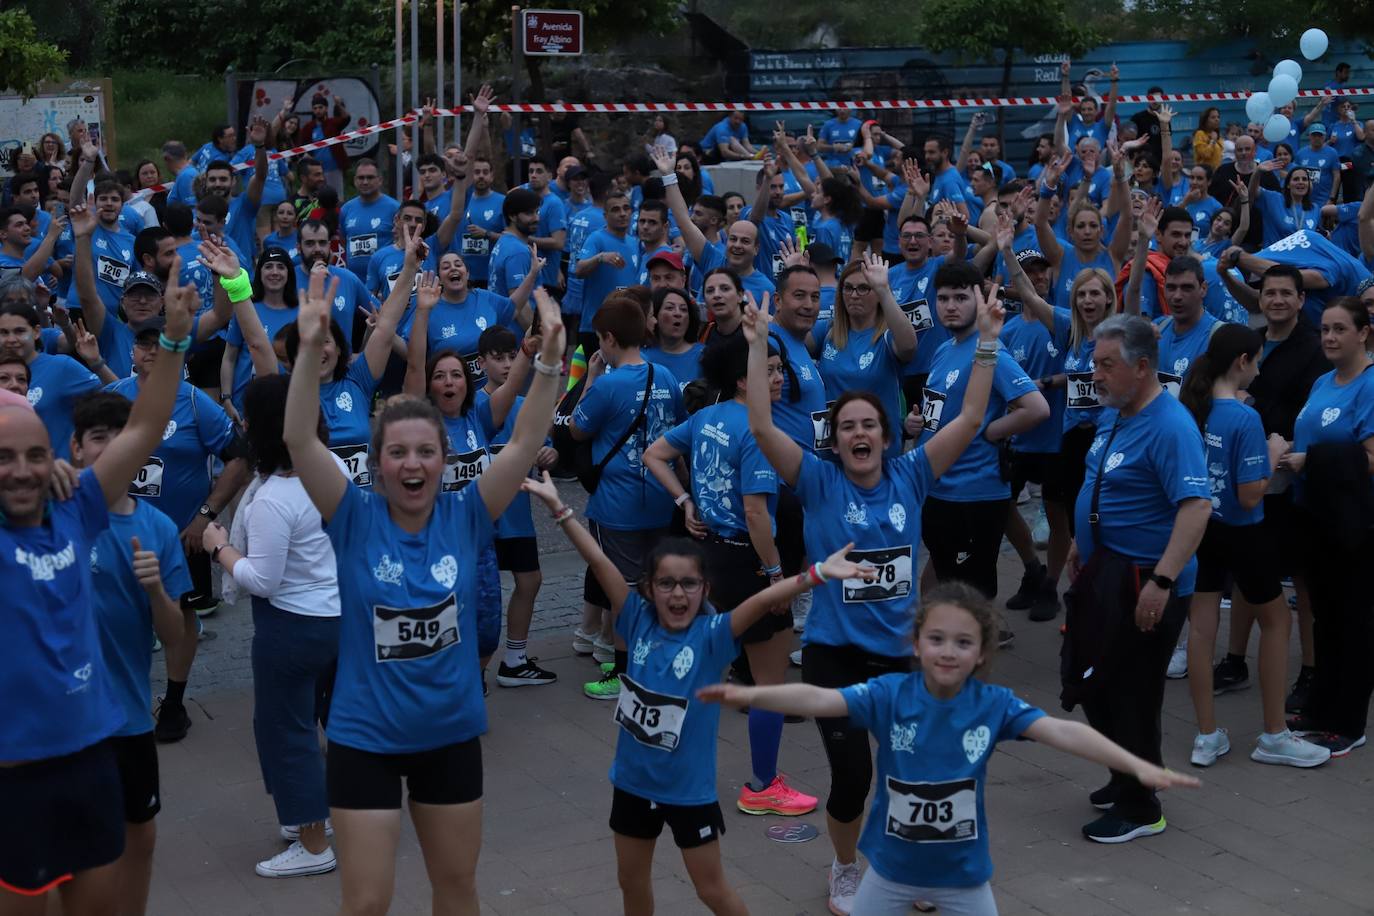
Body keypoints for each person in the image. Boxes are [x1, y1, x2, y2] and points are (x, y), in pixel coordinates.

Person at [280, 267, 565, 914]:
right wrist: (307, 348)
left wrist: (549, 362)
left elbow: (523, 442)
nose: (413, 464)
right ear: (378, 463)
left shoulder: (468, 515)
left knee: (457, 890)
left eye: (426, 452)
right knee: (367, 902)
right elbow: (299, 438)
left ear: (445, 459)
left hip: (450, 735)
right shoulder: (351, 516)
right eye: (399, 453)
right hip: (362, 740)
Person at [744, 279, 1008, 915]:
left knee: (910, 774)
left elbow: (971, 418)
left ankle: (907, 872)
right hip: (836, 656)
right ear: (834, 440)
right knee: (853, 779)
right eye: (847, 427)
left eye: (869, 424)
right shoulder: (815, 479)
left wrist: (989, 344)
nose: (859, 433)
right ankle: (843, 868)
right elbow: (758, 421)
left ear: (886, 436)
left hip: (900, 657)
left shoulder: (913, 474)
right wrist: (757, 346)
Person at [700, 581, 1199, 915]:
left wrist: (1136, 765)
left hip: (964, 880)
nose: (948, 650)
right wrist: (751, 693)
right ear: (916, 645)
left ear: (981, 652)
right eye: (936, 638)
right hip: (889, 873)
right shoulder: (889, 695)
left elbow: (1062, 731)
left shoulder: (993, 705)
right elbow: (820, 697)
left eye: (963, 642)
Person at [531, 474, 865, 916]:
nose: (677, 593)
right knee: (631, 883)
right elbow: (599, 561)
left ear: (705, 589)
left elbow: (764, 602)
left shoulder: (712, 635)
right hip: (631, 785)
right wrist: (561, 511)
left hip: (689, 793)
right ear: (648, 588)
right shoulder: (634, 620)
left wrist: (818, 574)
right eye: (666, 583)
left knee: (712, 891)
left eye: (688, 583)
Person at [0, 268, 194, 909]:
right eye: (4, 458)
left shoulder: (77, 507)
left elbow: (144, 428)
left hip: (91, 758)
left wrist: (173, 337)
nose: (23, 471)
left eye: (33, 454)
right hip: (14, 777)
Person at [643, 335, 818, 818]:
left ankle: (662, 774)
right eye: (773, 369)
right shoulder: (758, 433)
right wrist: (778, 576)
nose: (781, 377)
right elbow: (757, 514)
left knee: (698, 674)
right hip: (749, 563)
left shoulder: (706, 417)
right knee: (768, 683)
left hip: (709, 559)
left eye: (783, 368)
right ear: (744, 380)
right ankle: (763, 785)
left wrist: (685, 502)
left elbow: (654, 453)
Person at [1064, 314, 1211, 843]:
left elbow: (1195, 508)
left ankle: (1141, 806)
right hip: (1107, 570)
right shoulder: (1117, 412)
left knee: (1130, 690)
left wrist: (1163, 581)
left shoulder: (1171, 426)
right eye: (1093, 363)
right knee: (1099, 684)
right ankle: (1125, 774)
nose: (1095, 374)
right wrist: (1083, 539)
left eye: (1107, 365)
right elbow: (1102, 481)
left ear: (1143, 367)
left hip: (1146, 581)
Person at [201, 372, 342, 877]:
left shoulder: (275, 498)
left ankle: (311, 840)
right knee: (291, 726)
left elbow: (262, 578)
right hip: (330, 617)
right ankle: (305, 815)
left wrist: (219, 547)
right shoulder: (328, 470)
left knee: (287, 731)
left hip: (291, 627)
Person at [1176, 323, 1331, 769]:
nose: (1259, 369)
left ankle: (1206, 736)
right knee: (1278, 622)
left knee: (1201, 631)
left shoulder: (1195, 406)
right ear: (1241, 362)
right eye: (1257, 360)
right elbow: (1249, 493)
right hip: (1243, 530)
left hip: (1203, 527)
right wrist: (1272, 449)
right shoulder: (1244, 417)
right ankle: (1275, 734)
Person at [70, 392, 192, 915]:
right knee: (70, 854)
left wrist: (156, 594)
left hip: (129, 718)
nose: (112, 448)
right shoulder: (57, 517)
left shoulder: (159, 529)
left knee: (140, 841)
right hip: (68, 723)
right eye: (100, 438)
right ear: (76, 449)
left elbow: (175, 637)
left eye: (123, 438)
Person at [1214, 266, 1328, 710]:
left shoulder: (1313, 347)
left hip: (1287, 475)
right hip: (1248, 474)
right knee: (1248, 567)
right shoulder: (1251, 339)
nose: (1276, 300)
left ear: (1301, 300)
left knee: (1300, 577)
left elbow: (1301, 411)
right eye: (1269, 293)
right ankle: (1236, 659)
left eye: (1286, 293)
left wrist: (1254, 408)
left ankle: (1311, 671)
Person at [569, 296, 686, 700]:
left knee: (624, 590)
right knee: (656, 584)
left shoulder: (608, 384)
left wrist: (589, 379)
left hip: (617, 505)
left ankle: (622, 672)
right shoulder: (666, 376)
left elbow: (577, 429)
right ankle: (650, 659)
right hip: (660, 498)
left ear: (609, 338)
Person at [917, 260, 1047, 612]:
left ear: (980, 300)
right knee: (939, 580)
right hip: (940, 487)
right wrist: (920, 424)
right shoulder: (946, 348)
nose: (951, 305)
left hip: (973, 492)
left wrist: (990, 431)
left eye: (961, 297)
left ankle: (978, 649)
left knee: (970, 598)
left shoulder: (990, 352)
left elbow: (1035, 408)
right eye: (943, 298)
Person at [1278, 297, 1374, 757]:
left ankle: (1349, 721)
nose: (1331, 338)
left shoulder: (1371, 385)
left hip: (1355, 522)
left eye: (1340, 330)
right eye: (1326, 330)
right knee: (1326, 618)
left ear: (1363, 334)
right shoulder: (1321, 381)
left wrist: (1309, 461)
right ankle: (1320, 707)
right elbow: (1310, 439)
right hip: (1313, 516)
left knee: (1354, 622)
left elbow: (1370, 458)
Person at [472, 327, 561, 687]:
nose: (508, 364)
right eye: (499, 357)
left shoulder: (526, 406)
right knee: (482, 593)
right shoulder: (474, 405)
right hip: (484, 518)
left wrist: (549, 454)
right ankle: (473, 668)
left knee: (530, 580)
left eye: (513, 356)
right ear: (481, 363)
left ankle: (515, 660)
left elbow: (548, 451)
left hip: (518, 516)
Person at [817, 254, 918, 459]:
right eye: (848, 287)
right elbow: (790, 336)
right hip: (835, 453)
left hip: (879, 455)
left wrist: (883, 290)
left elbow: (909, 346)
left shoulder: (887, 337)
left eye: (864, 288)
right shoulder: (829, 331)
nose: (854, 295)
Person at [339, 159, 399, 283]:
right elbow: (344, 240)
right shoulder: (346, 209)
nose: (365, 182)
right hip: (355, 281)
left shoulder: (394, 208)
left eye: (370, 177)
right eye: (361, 178)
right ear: (355, 180)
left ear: (380, 180)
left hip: (385, 281)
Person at [642, 285, 703, 392]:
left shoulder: (704, 355)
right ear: (655, 315)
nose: (678, 313)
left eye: (684, 309)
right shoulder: (641, 356)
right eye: (670, 308)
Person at [1249, 158, 1319, 247]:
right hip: (1274, 258)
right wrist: (1257, 172)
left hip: (1301, 258)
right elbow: (1252, 192)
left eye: (1304, 179)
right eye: (1296, 179)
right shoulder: (1274, 199)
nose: (1301, 182)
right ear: (1288, 185)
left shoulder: (1314, 208)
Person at [295, 94, 351, 195]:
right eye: (315, 108)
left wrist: (338, 104)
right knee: (318, 199)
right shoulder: (308, 127)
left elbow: (346, 118)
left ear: (326, 108)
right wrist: (305, 156)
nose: (318, 110)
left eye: (320, 107)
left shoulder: (333, 122)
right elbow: (301, 148)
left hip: (334, 168)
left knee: (337, 197)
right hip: (316, 172)